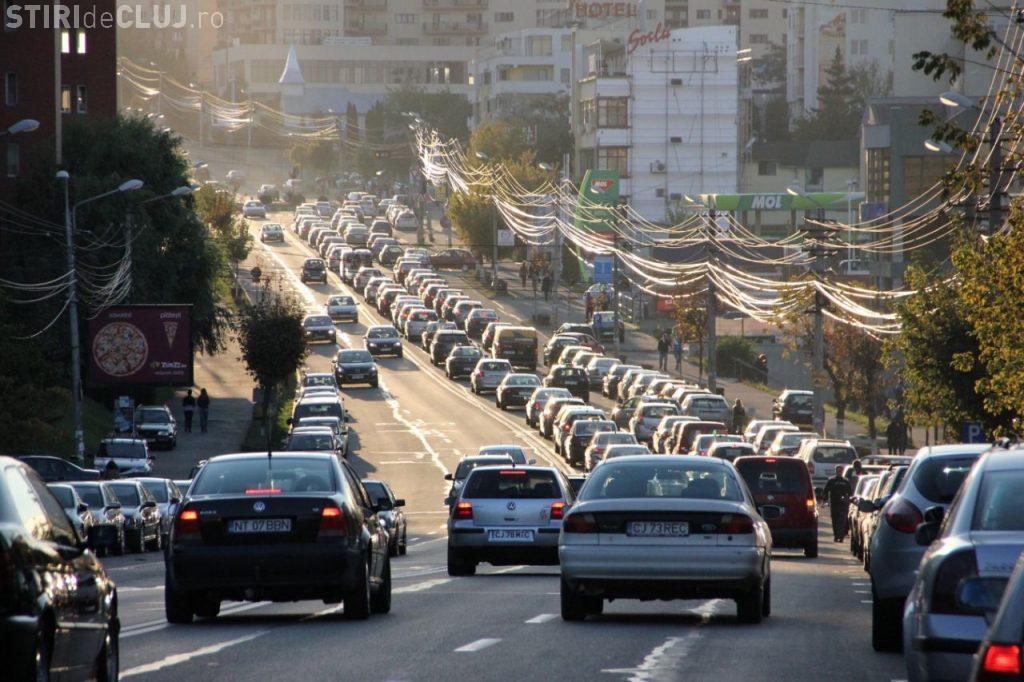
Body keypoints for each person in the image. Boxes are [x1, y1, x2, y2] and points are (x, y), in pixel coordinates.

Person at [823, 465, 853, 542]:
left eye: (840, 471)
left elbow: (850, 492)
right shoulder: (831, 480)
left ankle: (841, 536)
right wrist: (824, 500)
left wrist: (848, 499)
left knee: (842, 520)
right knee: (835, 520)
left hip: (843, 504)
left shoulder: (846, 481)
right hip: (834, 503)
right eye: (838, 470)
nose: (839, 472)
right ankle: (836, 535)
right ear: (836, 471)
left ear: (842, 471)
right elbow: (825, 491)